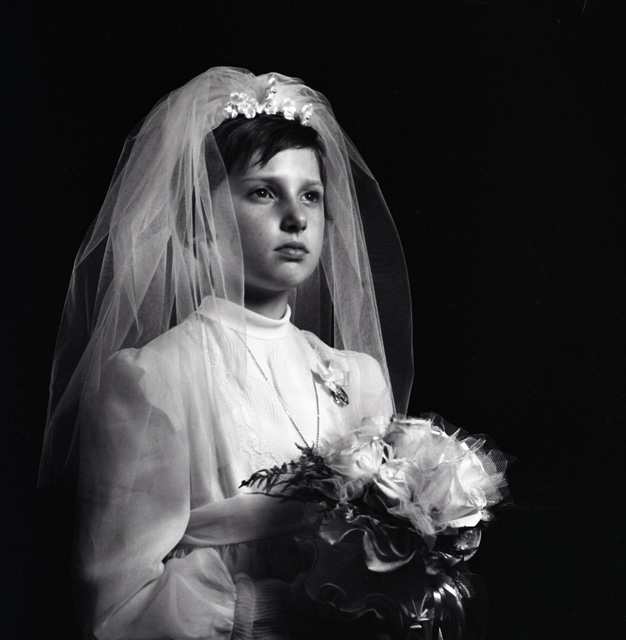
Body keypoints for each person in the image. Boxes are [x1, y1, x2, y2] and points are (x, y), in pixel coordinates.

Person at [38, 67, 414, 639]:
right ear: (200, 224)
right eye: (263, 192)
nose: (297, 218)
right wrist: (285, 611)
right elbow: (117, 609)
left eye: (311, 195)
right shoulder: (153, 379)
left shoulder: (358, 377)